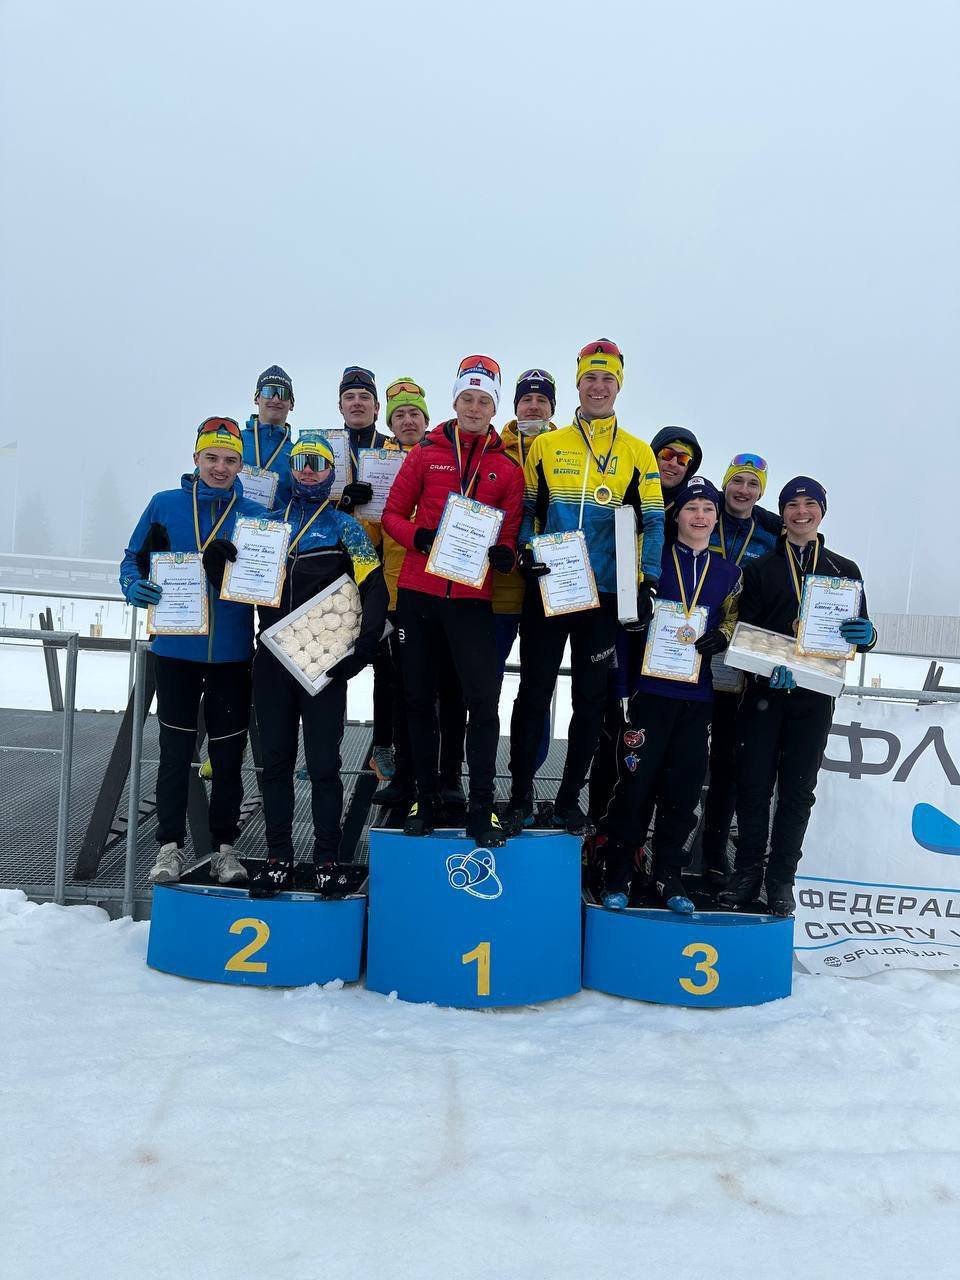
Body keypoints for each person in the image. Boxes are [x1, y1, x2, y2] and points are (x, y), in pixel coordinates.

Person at [504, 339, 664, 836]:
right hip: (550, 589)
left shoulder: (638, 452)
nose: (598, 387)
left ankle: (569, 798)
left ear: (619, 386)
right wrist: (527, 552)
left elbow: (653, 522)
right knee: (533, 692)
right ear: (577, 385)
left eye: (607, 379)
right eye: (590, 378)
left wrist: (648, 581)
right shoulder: (548, 446)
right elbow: (528, 510)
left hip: (606, 596)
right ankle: (520, 795)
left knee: (590, 700)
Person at [227, 436, 388, 896]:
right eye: (301, 461)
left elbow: (374, 587)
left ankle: (326, 859)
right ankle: (278, 856)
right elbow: (239, 581)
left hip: (323, 664)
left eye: (318, 462)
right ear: (291, 468)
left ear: (332, 472)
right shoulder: (266, 525)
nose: (309, 470)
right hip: (274, 661)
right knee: (275, 764)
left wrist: (363, 648)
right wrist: (220, 563)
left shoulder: (345, 527)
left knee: (323, 765)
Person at [382, 354, 524, 846]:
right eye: (468, 398)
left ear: (494, 407)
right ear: (456, 401)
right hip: (419, 595)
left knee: (481, 701)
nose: (474, 408)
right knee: (418, 699)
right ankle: (424, 797)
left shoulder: (506, 467)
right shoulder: (426, 453)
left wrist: (505, 554)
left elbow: (510, 530)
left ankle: (481, 805)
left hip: (470, 599)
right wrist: (418, 537)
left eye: (484, 400)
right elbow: (392, 514)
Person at [720, 477, 877, 916]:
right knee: (753, 787)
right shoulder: (759, 569)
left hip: (814, 698)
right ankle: (747, 874)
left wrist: (868, 635)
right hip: (764, 695)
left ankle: (781, 880)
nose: (801, 512)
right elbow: (745, 633)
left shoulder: (845, 570)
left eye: (810, 504)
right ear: (782, 512)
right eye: (792, 504)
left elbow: (860, 632)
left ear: (822, 511)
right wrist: (766, 668)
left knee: (797, 792)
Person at [119, 417, 264, 886]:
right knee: (175, 753)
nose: (220, 468)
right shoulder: (164, 504)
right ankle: (169, 847)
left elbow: (268, 579)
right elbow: (132, 559)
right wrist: (133, 586)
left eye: (230, 460)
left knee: (228, 757)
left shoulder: (254, 514)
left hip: (231, 654)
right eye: (211, 458)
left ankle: (225, 850)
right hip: (176, 650)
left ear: (241, 465)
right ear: (196, 458)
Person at [599, 477, 742, 912]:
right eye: (691, 508)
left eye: (708, 509)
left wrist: (722, 635)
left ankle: (669, 874)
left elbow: (735, 620)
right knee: (635, 786)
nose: (700, 516)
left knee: (682, 790)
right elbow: (622, 622)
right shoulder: (652, 561)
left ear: (716, 519)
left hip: (697, 698)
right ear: (676, 515)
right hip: (648, 692)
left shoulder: (729, 573)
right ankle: (619, 871)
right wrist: (622, 686)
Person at [700, 453, 781, 885]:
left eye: (753, 484)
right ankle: (666, 848)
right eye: (737, 481)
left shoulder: (769, 535)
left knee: (728, 763)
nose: (743, 490)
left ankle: (714, 854)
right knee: (683, 756)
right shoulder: (703, 516)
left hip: (739, 661)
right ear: (725, 484)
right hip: (689, 648)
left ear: (760, 492)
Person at [333, 365, 396, 786]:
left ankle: (383, 745)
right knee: (330, 656)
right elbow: (306, 495)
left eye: (364, 397)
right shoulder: (327, 447)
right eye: (350, 397)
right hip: (336, 566)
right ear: (340, 405)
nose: (357, 403)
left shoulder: (392, 449)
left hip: (379, 563)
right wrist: (342, 503)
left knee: (386, 662)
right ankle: (327, 744)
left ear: (376, 407)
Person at [372, 377, 430, 809]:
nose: (408, 420)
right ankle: (401, 772)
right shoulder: (380, 463)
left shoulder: (442, 456)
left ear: (426, 419)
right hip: (395, 590)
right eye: (400, 415)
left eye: (414, 413)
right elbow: (367, 535)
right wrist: (353, 505)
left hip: (438, 588)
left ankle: (438, 774)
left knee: (435, 690)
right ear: (390, 424)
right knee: (400, 685)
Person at [241, 365, 295, 511]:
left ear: (291, 403)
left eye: (283, 393)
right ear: (257, 398)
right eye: (268, 391)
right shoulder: (235, 440)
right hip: (231, 521)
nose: (276, 399)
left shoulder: (296, 453)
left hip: (276, 524)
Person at [649, 427, 701, 516]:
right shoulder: (627, 489)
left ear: (689, 468)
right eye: (667, 454)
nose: (673, 464)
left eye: (683, 459)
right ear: (653, 456)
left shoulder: (694, 507)